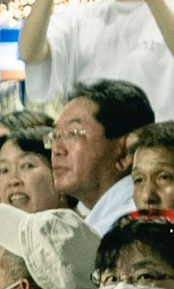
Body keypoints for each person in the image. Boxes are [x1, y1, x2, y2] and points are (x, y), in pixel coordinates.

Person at [55, 81, 157, 235]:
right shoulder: (92, 222)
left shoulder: (134, 226)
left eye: (73, 133)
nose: (57, 149)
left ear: (125, 153)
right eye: (54, 135)